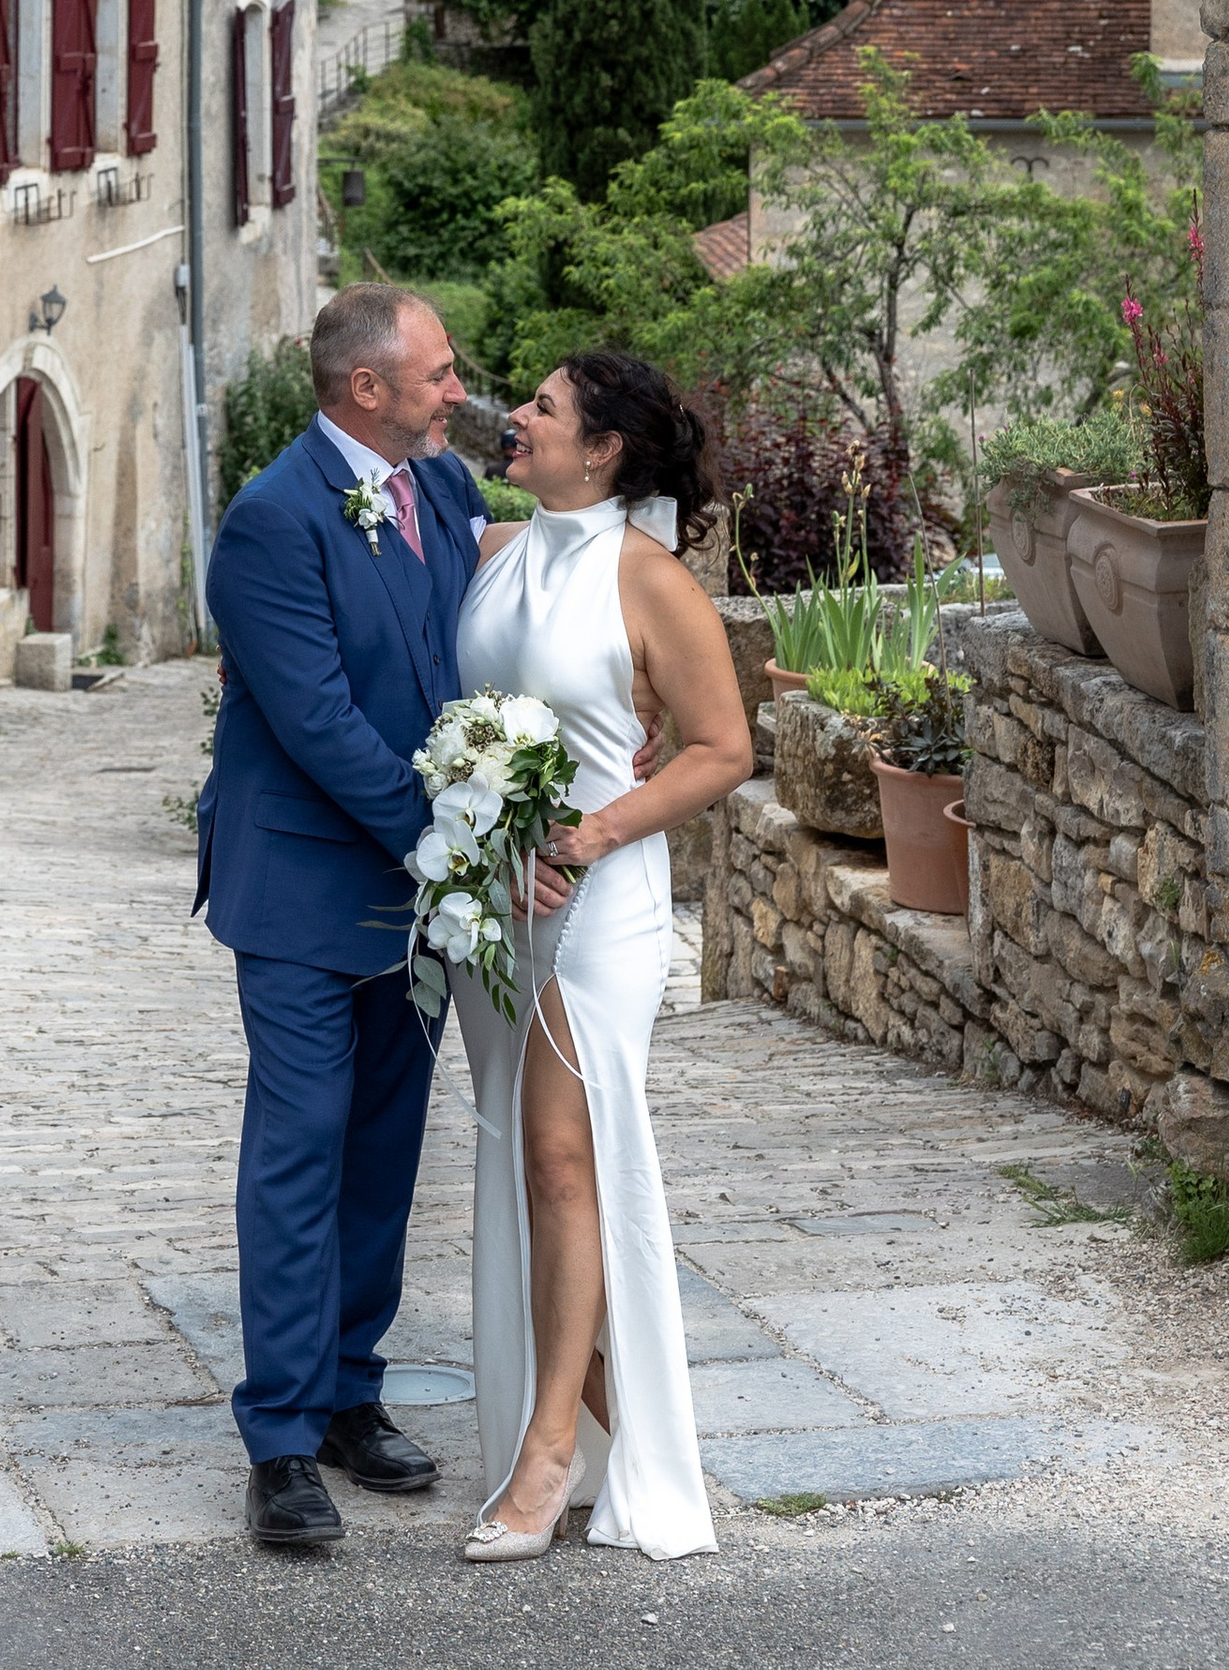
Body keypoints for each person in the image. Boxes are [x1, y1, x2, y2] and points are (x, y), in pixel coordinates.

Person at [198, 283, 534, 1550]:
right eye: (439, 374)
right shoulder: (270, 521)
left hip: (420, 895)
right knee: (302, 1147)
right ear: (365, 390)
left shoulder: (440, 489)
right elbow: (319, 721)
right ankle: (279, 1436)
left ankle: (349, 1391)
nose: (459, 390)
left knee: (387, 1148)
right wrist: (455, 842)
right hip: (300, 885)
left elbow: (478, 636)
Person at [452, 348, 755, 1562]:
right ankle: (637, 1442)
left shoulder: (649, 578)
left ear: (604, 449)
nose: (518, 420)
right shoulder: (488, 553)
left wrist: (589, 834)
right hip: (496, 897)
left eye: (543, 409)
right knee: (528, 1169)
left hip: (601, 896)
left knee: (564, 1158)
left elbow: (720, 749)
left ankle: (544, 1459)